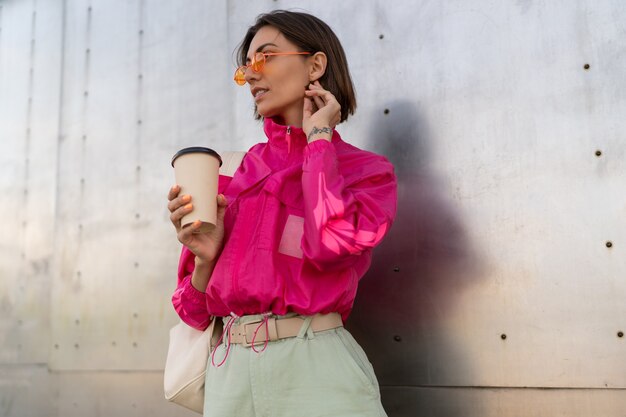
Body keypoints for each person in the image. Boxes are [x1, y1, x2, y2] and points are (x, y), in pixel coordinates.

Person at [167, 10, 397, 417]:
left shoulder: (367, 172)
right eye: (245, 68)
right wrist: (206, 258)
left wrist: (319, 141)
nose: (252, 75)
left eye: (266, 57)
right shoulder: (230, 174)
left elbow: (332, 245)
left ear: (315, 64)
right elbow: (193, 311)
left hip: (316, 371)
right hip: (230, 376)